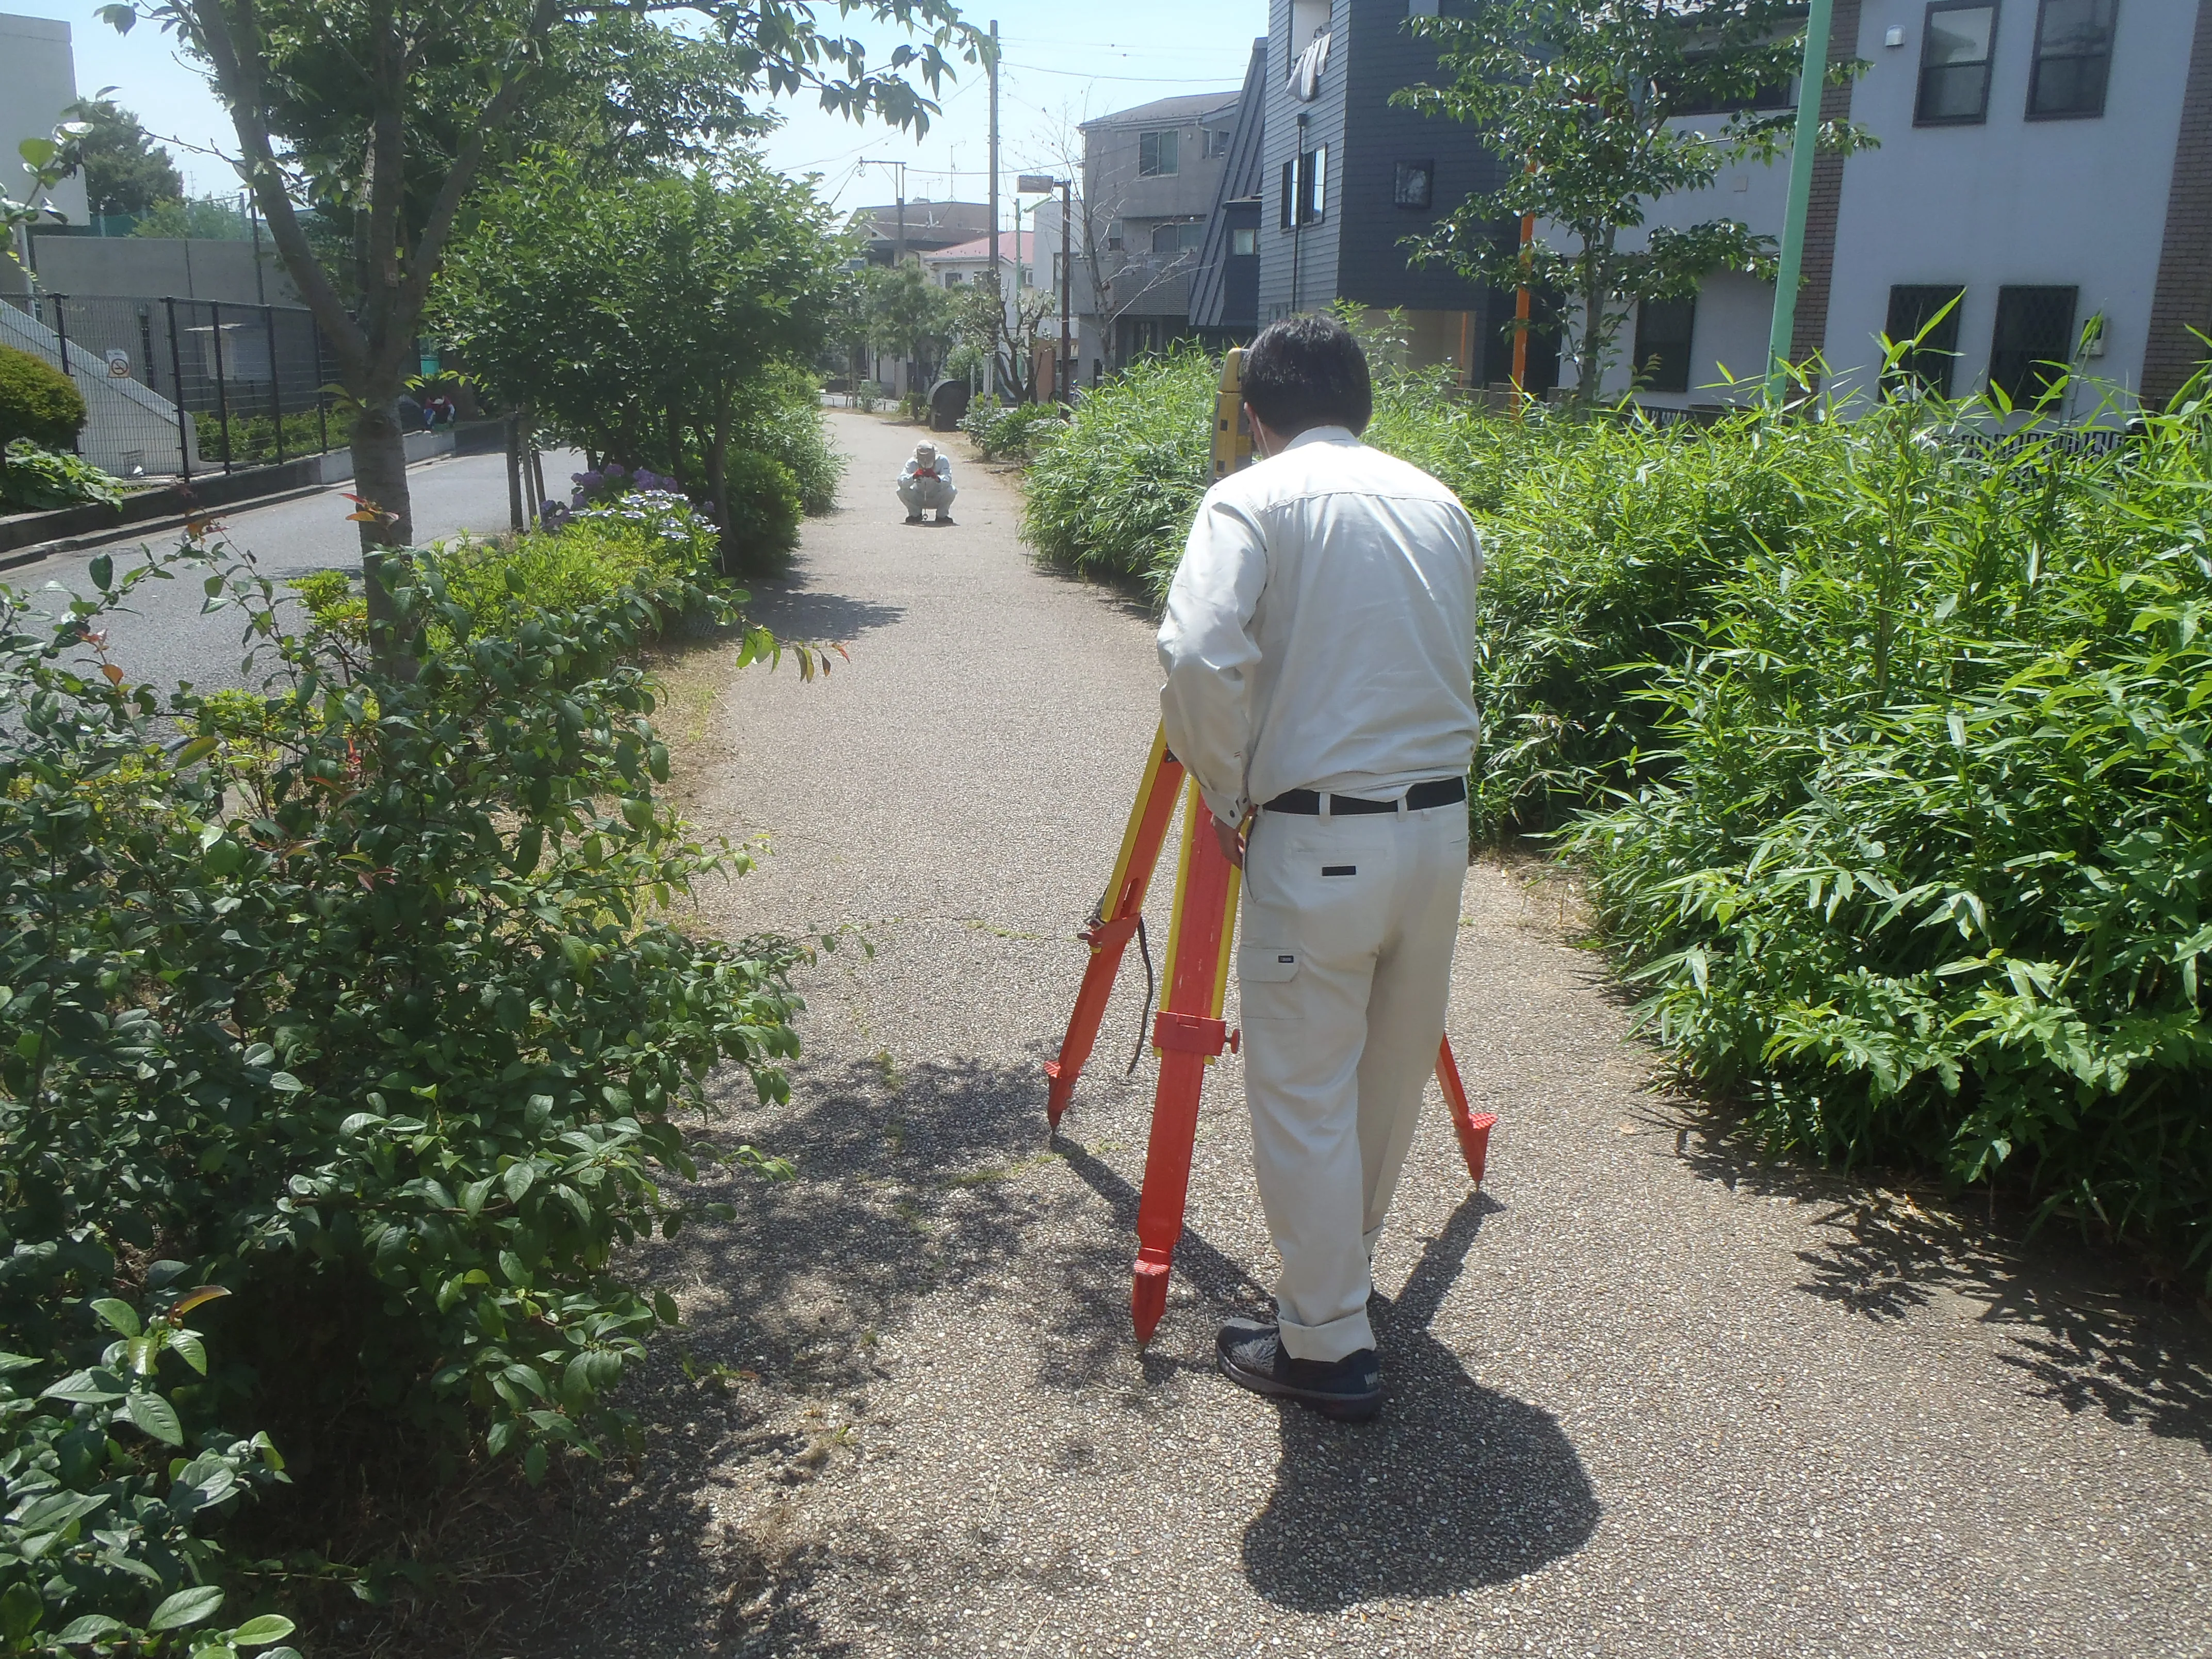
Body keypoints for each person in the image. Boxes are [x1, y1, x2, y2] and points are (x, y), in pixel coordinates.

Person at [1157, 314, 1483, 1424]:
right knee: (1385, 1077)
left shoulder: (1250, 500)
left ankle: (1327, 1347)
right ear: (1362, 406)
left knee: (1302, 1092)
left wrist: (1226, 789)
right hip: (1438, 832)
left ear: (1254, 415)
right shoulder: (1437, 502)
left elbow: (1195, 654)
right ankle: (1344, 1281)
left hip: (1316, 834)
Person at [898, 441, 956, 524]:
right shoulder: (912, 463)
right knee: (901, 491)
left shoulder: (943, 460)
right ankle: (915, 514)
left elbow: (948, 480)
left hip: (937, 496)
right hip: (919, 496)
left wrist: (936, 478)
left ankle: (942, 515)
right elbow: (901, 482)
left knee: (951, 490)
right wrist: (914, 476)